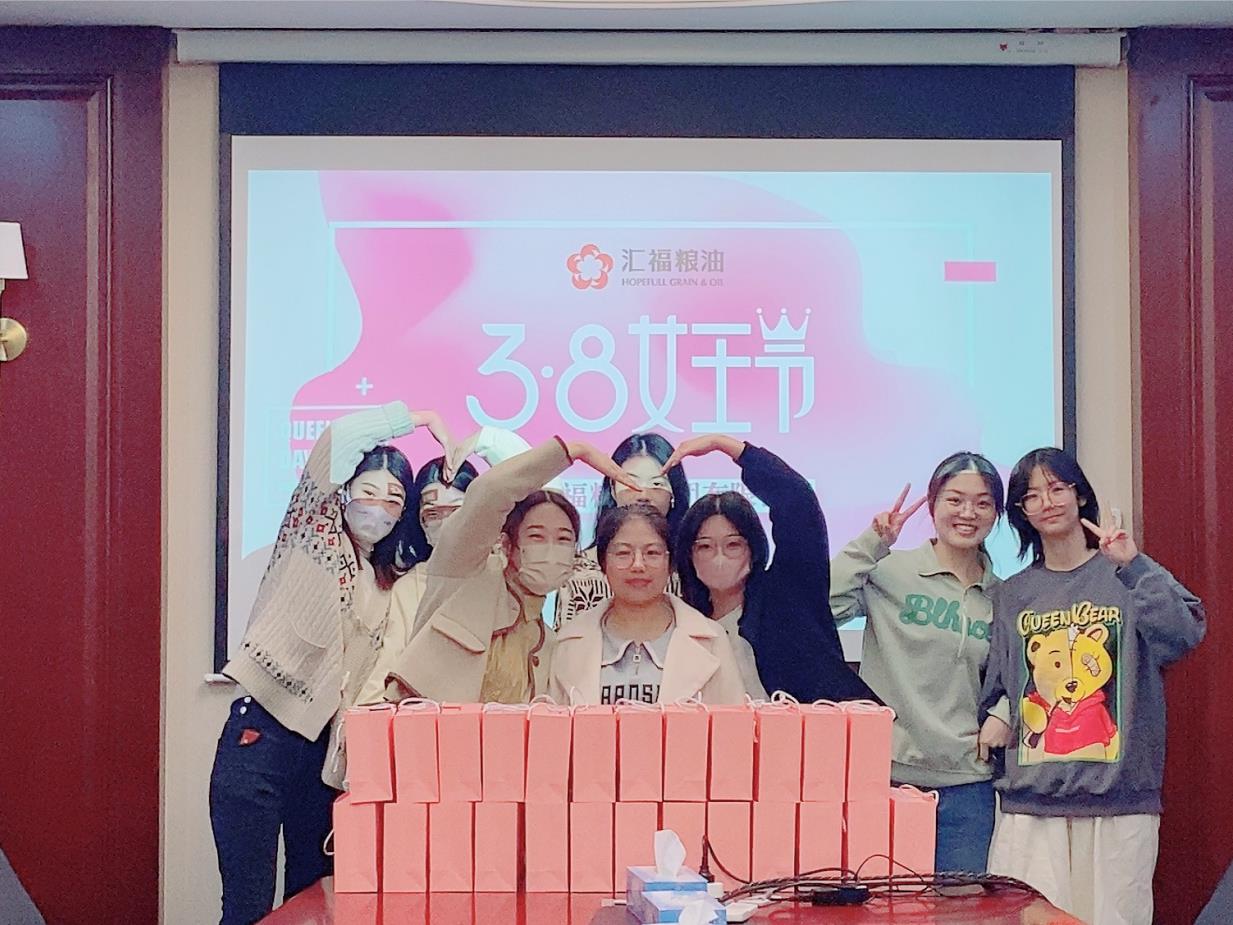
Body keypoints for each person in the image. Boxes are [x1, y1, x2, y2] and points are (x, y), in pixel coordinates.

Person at [210, 401, 448, 925]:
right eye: (369, 490)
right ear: (344, 491)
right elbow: (338, 438)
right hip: (262, 735)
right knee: (248, 906)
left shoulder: (386, 582)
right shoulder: (314, 531)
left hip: (324, 758)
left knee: (313, 901)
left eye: (394, 499)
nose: (379, 507)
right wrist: (420, 418)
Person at [979, 447, 1205, 925]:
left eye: (1057, 488)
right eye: (1032, 496)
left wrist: (1133, 564)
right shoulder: (1013, 593)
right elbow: (1002, 681)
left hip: (1119, 798)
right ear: (1021, 512)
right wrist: (999, 711)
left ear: (1080, 495)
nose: (1047, 502)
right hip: (1032, 803)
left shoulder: (1125, 574)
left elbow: (1183, 634)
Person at [830, 451, 1011, 873]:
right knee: (885, 902)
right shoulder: (891, 572)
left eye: (983, 503)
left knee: (963, 906)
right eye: (955, 500)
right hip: (887, 777)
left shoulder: (1003, 595)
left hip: (968, 785)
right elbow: (824, 606)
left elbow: (1023, 672)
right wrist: (872, 544)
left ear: (997, 514)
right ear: (933, 505)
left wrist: (1004, 712)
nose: (967, 513)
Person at [386, 436, 637, 703]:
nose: (550, 549)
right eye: (536, 536)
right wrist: (571, 450)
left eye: (563, 538)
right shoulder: (464, 572)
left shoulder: (548, 642)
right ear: (507, 544)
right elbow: (490, 492)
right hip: (425, 728)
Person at [666, 434, 876, 702]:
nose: (719, 558)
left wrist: (726, 446)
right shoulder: (683, 619)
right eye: (705, 547)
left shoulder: (787, 596)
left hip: (815, 727)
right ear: (688, 554)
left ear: (753, 548)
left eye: (733, 545)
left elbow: (798, 503)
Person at [357, 426, 539, 704]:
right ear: (419, 522)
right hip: (431, 720)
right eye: (432, 513)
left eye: (457, 511)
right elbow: (386, 672)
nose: (447, 523)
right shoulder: (410, 588)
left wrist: (486, 440)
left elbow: (539, 493)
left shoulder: (506, 574)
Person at [550, 504, 746, 705]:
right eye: (623, 553)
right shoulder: (568, 641)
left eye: (652, 553)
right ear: (603, 563)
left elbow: (733, 720)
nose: (638, 565)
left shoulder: (712, 639)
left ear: (670, 564)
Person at [557, 432, 691, 623]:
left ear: (674, 494)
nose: (643, 494)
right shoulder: (579, 570)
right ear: (612, 489)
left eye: (656, 483)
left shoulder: (692, 566)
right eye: (631, 482)